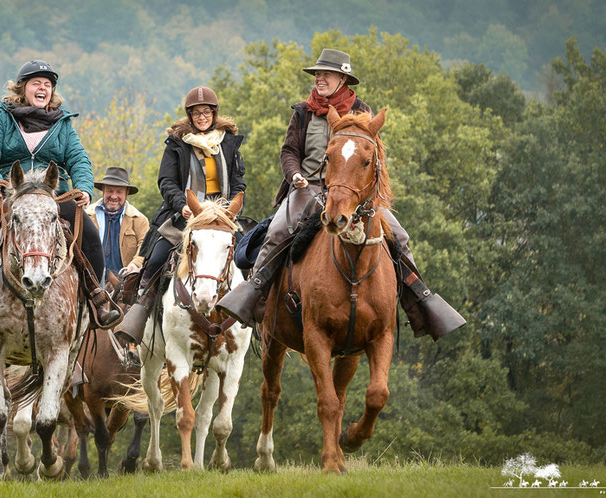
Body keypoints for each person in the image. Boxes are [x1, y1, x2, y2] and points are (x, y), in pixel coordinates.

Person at [217, 48, 464, 339]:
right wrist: (295, 174)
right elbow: (289, 152)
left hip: (354, 192)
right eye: (317, 75)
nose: (320, 79)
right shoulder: (303, 111)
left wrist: (366, 192)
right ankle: (254, 297)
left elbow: (375, 160)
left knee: (399, 236)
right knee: (277, 231)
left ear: (342, 79)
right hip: (307, 187)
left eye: (326, 75)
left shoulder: (364, 113)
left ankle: (419, 303)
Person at [0, 59, 120, 385]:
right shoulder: (3, 117)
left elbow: (78, 159)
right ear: (22, 88)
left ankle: (97, 296)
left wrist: (84, 188)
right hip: (10, 193)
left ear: (52, 92)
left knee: (87, 231)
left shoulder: (63, 123)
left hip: (51, 196)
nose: (42, 88)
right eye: (36, 83)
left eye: (48, 84)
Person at [114, 86, 246, 344]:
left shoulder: (228, 143)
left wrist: (232, 207)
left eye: (206, 112)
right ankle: (141, 313)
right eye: (196, 113)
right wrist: (180, 205)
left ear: (214, 113)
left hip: (221, 217)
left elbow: (239, 181)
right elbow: (166, 181)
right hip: (185, 214)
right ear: (190, 115)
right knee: (156, 260)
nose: (201, 117)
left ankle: (255, 317)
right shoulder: (177, 144)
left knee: (248, 259)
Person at [86, 166, 149, 280]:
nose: (114, 196)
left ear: (127, 193)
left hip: (125, 283)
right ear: (103, 190)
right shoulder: (87, 215)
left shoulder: (139, 220)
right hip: (90, 281)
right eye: (109, 191)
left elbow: (145, 248)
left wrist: (134, 265)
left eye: (119, 192)